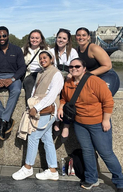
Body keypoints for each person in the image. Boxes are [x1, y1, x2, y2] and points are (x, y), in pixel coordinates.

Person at [57, 58, 123, 190]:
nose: (74, 68)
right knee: (87, 152)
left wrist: (105, 120)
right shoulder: (68, 82)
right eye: (71, 67)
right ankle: (91, 179)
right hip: (80, 124)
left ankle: (120, 181)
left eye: (77, 66)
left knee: (106, 153)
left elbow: (108, 102)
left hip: (98, 123)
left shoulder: (95, 81)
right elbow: (64, 98)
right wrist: (60, 107)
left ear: (84, 68)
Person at [12, 50, 63, 181]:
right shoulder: (41, 72)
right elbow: (35, 90)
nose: (42, 60)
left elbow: (52, 95)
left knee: (33, 136)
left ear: (51, 59)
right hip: (40, 108)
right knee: (47, 139)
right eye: (40, 58)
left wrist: (37, 107)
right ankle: (52, 170)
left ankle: (28, 167)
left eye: (45, 57)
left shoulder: (56, 74)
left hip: (47, 109)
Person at [0, 26, 26, 140]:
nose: (1, 38)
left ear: (8, 36)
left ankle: (2, 120)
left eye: (4, 35)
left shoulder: (17, 49)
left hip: (13, 76)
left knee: (17, 90)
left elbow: (22, 68)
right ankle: (6, 119)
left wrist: (13, 79)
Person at [50, 28, 78, 141]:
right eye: (59, 37)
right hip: (56, 78)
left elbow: (76, 67)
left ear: (68, 41)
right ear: (56, 38)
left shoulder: (73, 52)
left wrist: (71, 74)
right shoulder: (51, 51)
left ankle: (66, 125)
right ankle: (56, 121)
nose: (61, 40)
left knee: (69, 96)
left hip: (69, 78)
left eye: (64, 38)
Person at [76, 27, 120, 96]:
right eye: (78, 35)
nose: (81, 37)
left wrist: (87, 75)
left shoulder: (94, 48)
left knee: (103, 96)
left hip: (107, 75)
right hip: (92, 77)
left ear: (88, 37)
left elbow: (108, 66)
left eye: (84, 35)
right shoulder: (76, 51)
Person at [22, 29, 49, 106]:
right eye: (32, 38)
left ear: (41, 39)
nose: (34, 40)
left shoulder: (46, 49)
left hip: (42, 73)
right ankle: (30, 106)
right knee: (29, 83)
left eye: (37, 38)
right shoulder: (23, 50)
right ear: (29, 39)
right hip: (29, 74)